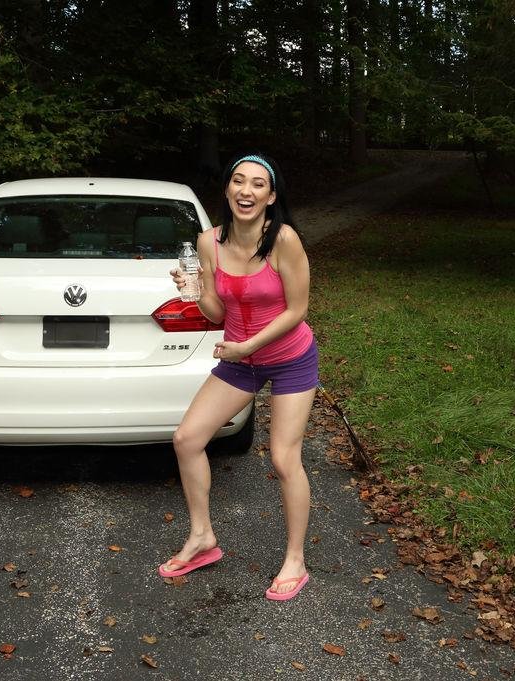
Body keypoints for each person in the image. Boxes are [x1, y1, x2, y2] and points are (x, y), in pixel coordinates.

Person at [159, 154, 318, 601]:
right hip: (239, 359)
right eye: (238, 181)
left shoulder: (283, 240)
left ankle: (295, 559)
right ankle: (202, 537)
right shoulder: (208, 242)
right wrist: (192, 292)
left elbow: (297, 309)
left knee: (283, 458)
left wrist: (249, 346)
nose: (246, 191)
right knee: (187, 439)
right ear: (227, 189)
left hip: (289, 358)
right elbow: (215, 312)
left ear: (271, 196)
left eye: (258, 184)